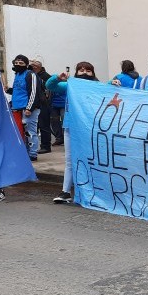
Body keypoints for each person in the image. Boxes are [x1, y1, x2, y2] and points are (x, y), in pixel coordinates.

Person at [46, 62, 100, 204]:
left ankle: (93, 191)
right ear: (76, 73)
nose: (84, 72)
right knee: (70, 161)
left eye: (88, 70)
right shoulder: (70, 85)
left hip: (89, 129)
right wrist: (58, 77)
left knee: (91, 159)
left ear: (93, 74)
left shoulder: (98, 86)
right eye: (81, 70)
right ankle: (65, 192)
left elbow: (111, 90)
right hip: (70, 128)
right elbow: (50, 86)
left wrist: (114, 82)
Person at [6, 55, 42, 161]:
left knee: (30, 132)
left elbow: (34, 92)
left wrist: (29, 108)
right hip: (17, 108)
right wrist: (8, 90)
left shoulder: (31, 75)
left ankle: (33, 154)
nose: (17, 65)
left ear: (26, 65)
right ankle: (25, 152)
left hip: (28, 109)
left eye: (20, 63)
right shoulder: (17, 74)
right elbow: (19, 91)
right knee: (21, 131)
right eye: (16, 63)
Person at [30, 57, 53, 154]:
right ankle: (38, 145)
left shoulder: (45, 76)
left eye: (33, 66)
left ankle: (46, 146)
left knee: (44, 125)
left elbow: (48, 88)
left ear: (37, 67)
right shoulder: (33, 75)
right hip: (36, 103)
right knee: (36, 125)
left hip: (43, 103)